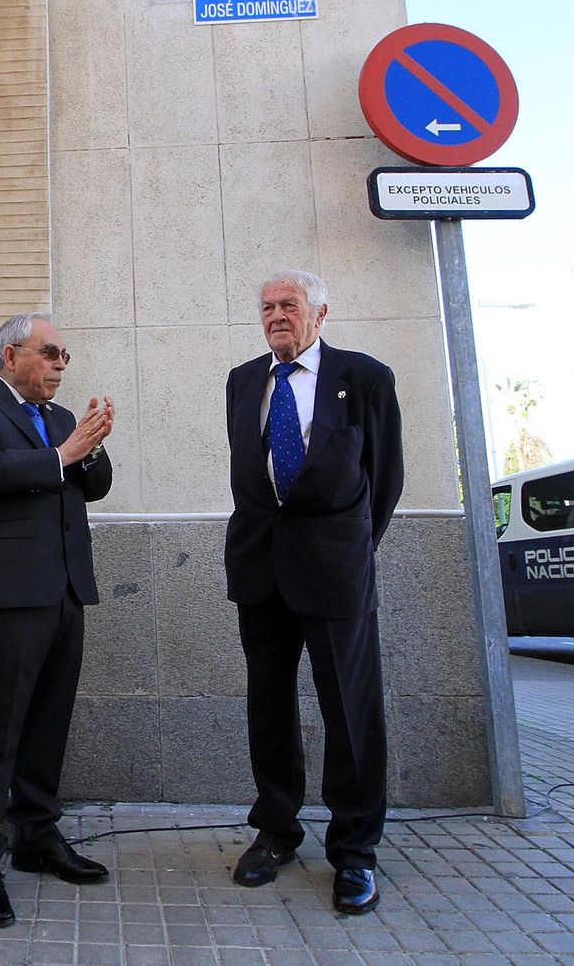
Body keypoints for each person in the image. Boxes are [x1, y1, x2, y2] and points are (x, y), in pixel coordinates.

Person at [223, 270, 405, 915]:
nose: (276, 315)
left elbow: (382, 482)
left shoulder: (366, 378)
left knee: (349, 711)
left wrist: (348, 547)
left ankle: (355, 850)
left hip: (333, 569)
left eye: (289, 305)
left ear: (320, 313)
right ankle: (275, 831)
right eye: (267, 306)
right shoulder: (244, 381)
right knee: (268, 707)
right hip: (260, 568)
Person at [0, 312, 115, 928]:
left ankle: (37, 836)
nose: (60, 365)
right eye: (50, 353)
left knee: (48, 721)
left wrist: (90, 448)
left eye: (65, 356)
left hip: (67, 588)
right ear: (11, 355)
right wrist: (62, 454)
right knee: (0, 728)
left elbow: (91, 487)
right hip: (10, 591)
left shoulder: (65, 420)